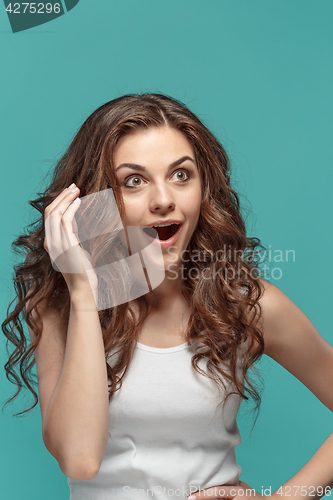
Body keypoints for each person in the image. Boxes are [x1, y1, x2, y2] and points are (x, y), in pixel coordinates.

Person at [2, 93, 333, 500]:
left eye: (181, 175)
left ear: (203, 188)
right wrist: (84, 292)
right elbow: (80, 459)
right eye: (134, 181)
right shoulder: (57, 307)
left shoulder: (246, 305)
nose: (164, 200)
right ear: (95, 201)